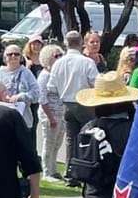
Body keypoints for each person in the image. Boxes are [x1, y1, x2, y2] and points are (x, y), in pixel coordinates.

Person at [42, 30, 98, 181]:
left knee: (71, 140)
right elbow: (95, 83)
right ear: (81, 43)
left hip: (66, 104)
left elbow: (51, 87)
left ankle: (70, 172)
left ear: (66, 43)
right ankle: (86, 170)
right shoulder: (87, 62)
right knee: (87, 138)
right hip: (85, 103)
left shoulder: (59, 63)